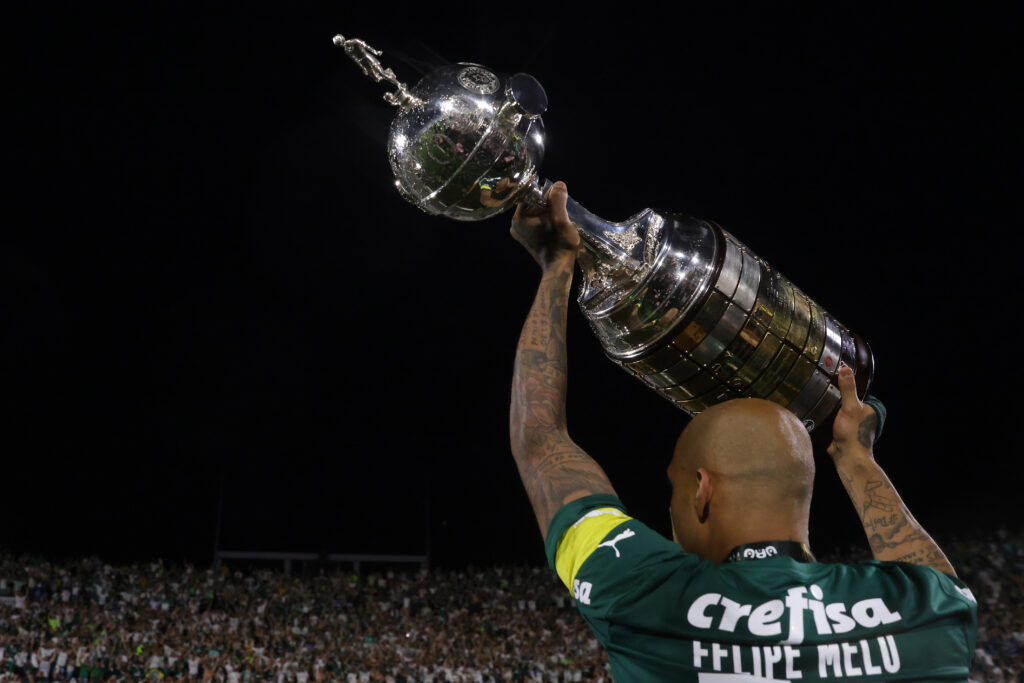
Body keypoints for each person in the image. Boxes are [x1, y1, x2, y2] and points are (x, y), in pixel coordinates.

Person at [508, 181, 978, 681]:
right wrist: (857, 460)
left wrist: (557, 267)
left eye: (674, 490)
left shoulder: (649, 597)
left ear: (702, 491)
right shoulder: (919, 618)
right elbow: (939, 584)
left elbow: (541, 442)